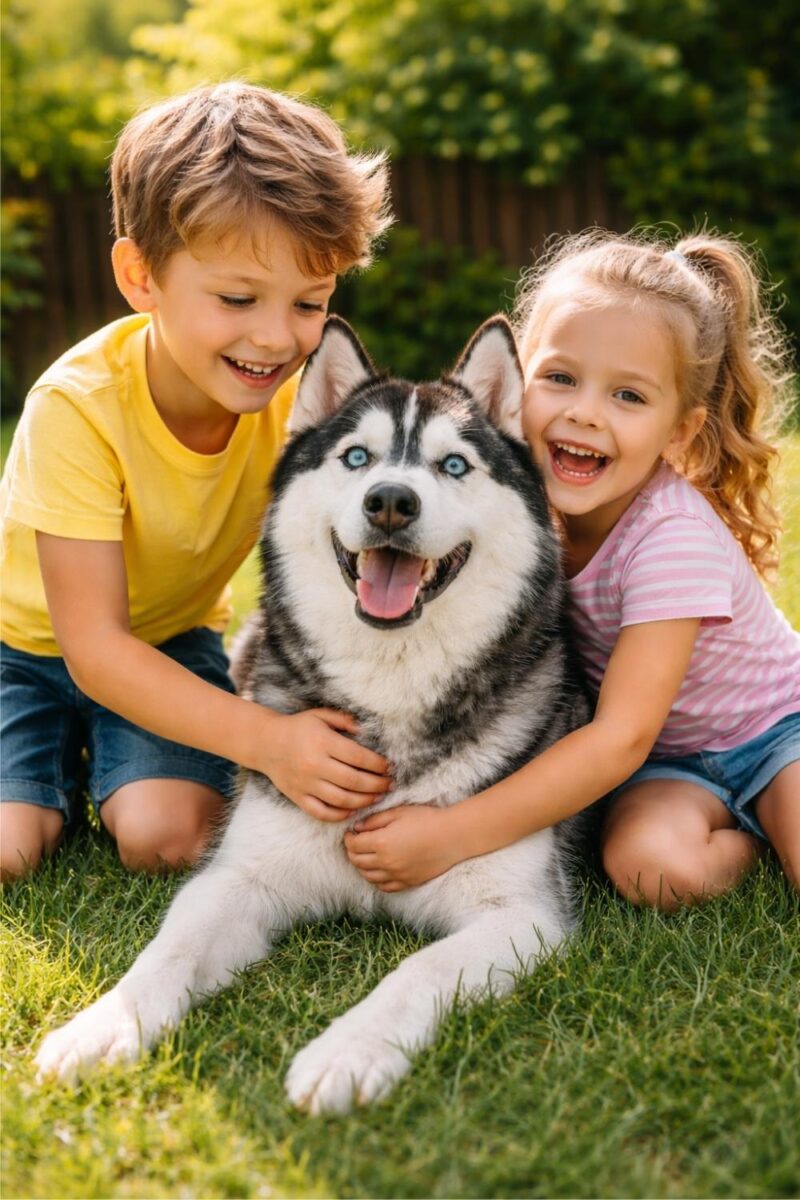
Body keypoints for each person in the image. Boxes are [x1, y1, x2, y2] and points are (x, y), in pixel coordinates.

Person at [0, 82, 393, 881]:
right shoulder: (76, 408)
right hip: (24, 652)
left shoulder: (300, 410)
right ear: (141, 277)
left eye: (309, 302)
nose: (276, 337)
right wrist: (270, 740)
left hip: (173, 643)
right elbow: (97, 651)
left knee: (169, 838)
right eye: (238, 298)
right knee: (10, 849)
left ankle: (115, 768)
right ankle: (54, 775)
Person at [344, 229, 800, 910]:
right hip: (670, 767)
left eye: (629, 396)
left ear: (679, 432)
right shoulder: (508, 512)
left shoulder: (671, 538)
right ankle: (753, 837)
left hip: (775, 733)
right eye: (560, 378)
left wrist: (451, 833)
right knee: (651, 870)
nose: (585, 413)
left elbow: (620, 737)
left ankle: (774, 813)